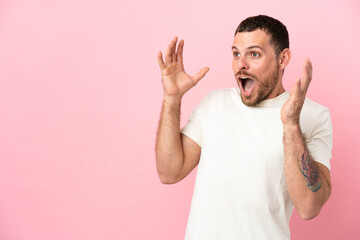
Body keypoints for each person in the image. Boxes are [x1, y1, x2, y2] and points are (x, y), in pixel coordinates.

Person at [155, 15, 332, 239]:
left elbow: (309, 207)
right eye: (236, 54)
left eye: (254, 54)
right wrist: (172, 98)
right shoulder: (214, 103)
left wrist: (290, 126)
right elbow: (169, 173)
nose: (241, 64)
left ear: (283, 58)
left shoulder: (314, 116)